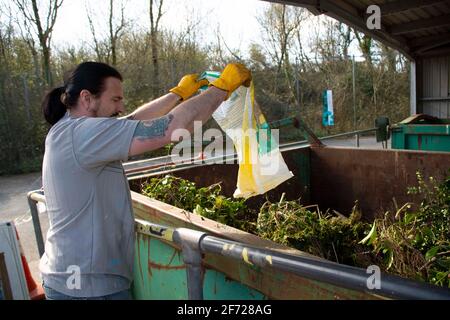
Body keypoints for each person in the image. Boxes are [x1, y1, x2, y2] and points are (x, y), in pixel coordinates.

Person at [40, 61, 251, 300]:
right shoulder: (82, 134)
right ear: (87, 98)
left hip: (74, 278)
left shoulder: (70, 130)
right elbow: (172, 128)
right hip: (86, 288)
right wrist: (221, 88)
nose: (121, 106)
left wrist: (177, 95)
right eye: (115, 99)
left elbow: (130, 121)